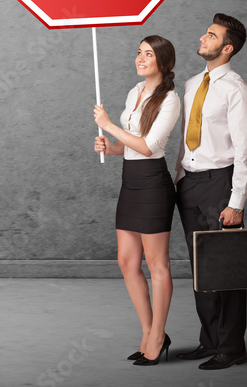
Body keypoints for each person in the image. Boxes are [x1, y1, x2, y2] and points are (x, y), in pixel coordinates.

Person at [173, 13, 247, 371]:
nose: (202, 37)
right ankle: (209, 341)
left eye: (210, 35)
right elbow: (185, 138)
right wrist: (178, 177)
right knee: (200, 270)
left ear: (227, 48)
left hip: (220, 184)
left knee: (225, 268)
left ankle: (232, 347)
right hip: (189, 184)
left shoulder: (238, 91)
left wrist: (236, 202)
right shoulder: (193, 83)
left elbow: (245, 151)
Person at [93, 35, 180, 366]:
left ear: (164, 62)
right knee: (127, 262)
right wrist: (110, 147)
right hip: (130, 182)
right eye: (139, 52)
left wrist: (109, 125)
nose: (140, 58)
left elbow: (149, 146)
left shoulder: (170, 99)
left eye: (148, 54)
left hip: (153, 186)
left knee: (158, 265)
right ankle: (147, 332)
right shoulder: (134, 92)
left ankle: (159, 335)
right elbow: (131, 147)